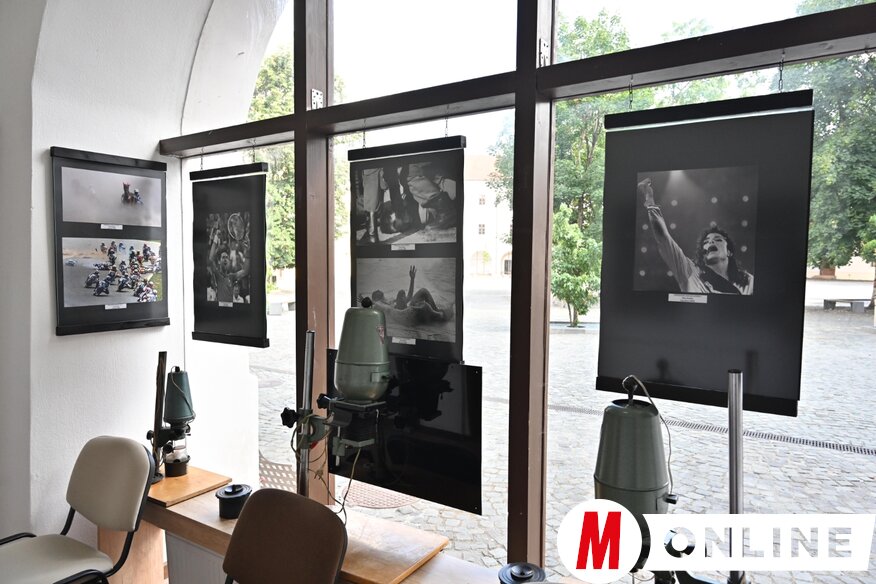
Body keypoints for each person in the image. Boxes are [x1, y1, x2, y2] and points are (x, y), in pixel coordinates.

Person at [639, 177, 753, 295]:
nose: (711, 242)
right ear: (702, 253)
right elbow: (663, 238)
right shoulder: (690, 272)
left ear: (729, 252)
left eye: (718, 239)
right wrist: (650, 201)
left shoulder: (748, 281)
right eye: (706, 242)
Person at [368, 265, 451, 322]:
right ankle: (439, 314)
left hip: (407, 310)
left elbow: (409, 296)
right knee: (402, 292)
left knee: (423, 291)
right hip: (404, 313)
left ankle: (437, 311)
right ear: (377, 298)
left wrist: (412, 279)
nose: (378, 290)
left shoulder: (389, 301)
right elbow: (375, 306)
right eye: (378, 292)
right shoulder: (379, 305)